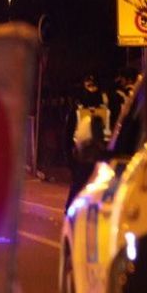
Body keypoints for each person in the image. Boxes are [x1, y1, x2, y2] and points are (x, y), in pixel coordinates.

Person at [64, 75, 109, 209]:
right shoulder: (77, 108)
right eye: (89, 85)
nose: (92, 89)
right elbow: (67, 135)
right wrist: (70, 160)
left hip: (99, 157)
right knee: (78, 192)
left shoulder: (106, 107)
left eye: (93, 85)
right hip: (82, 158)